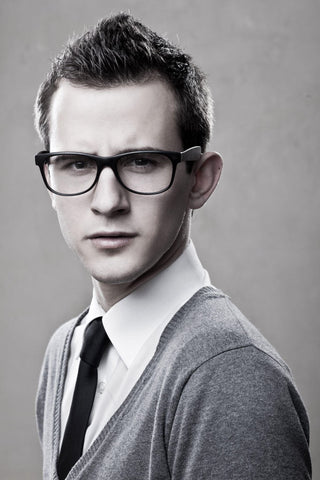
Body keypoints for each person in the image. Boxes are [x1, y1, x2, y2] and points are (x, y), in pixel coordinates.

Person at [34, 13, 311, 480]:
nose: (107, 202)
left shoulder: (231, 378)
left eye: (142, 162)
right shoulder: (67, 348)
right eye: (77, 164)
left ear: (199, 180)